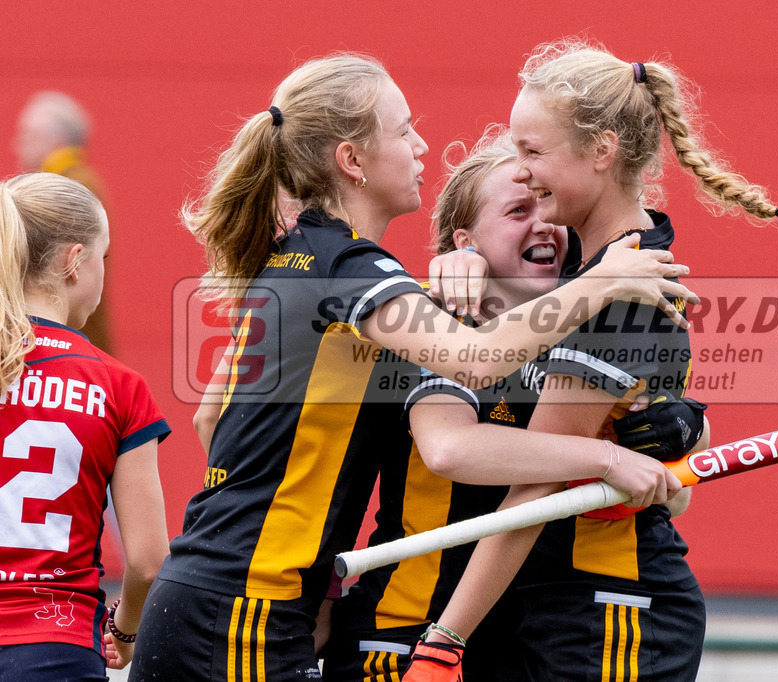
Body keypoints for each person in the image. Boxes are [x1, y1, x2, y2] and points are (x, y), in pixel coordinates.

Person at [130, 53, 697, 681]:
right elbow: (475, 362)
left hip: (232, 588)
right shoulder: (354, 271)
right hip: (248, 603)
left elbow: (213, 415)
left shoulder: (310, 259)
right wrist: (604, 283)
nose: (422, 143)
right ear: (352, 161)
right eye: (404, 131)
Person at [406, 40, 778, 682]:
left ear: (602, 151)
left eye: (532, 151)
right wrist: (461, 262)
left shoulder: (622, 289)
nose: (520, 169)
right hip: (554, 603)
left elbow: (537, 479)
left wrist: (445, 639)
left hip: (612, 606)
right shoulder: (588, 268)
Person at [321, 129, 710, 681]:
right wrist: (606, 458)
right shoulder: (438, 322)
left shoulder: (575, 344)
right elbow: (452, 449)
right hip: (403, 627)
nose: (543, 224)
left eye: (546, 206)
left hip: (503, 629)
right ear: (466, 243)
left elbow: (670, 502)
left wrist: (683, 434)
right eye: (517, 210)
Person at [0, 173, 170, 680]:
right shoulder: (118, 384)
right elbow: (147, 561)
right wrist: (124, 631)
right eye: (105, 257)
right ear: (75, 261)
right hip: (57, 647)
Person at [13, 91, 112, 352]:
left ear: (55, 140)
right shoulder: (78, 183)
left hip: (64, 343)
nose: (16, 144)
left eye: (27, 135)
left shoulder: (69, 188)